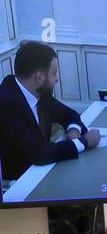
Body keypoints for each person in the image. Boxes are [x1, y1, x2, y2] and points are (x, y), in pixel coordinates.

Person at [0, 41, 101, 182]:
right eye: (54, 74)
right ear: (39, 77)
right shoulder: (7, 104)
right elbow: (39, 154)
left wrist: (73, 131)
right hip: (21, 186)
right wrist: (84, 141)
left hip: (44, 173)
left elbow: (69, 114)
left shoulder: (37, 92)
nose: (57, 79)